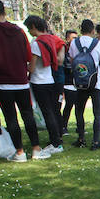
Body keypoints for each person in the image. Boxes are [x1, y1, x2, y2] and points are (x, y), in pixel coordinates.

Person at [0, 0, 48, 161]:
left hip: (1, 81)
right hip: (20, 79)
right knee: (27, 114)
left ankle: (20, 152)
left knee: (10, 116)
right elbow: (27, 55)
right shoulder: (19, 31)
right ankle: (36, 148)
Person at [24, 15, 65, 154]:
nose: (29, 31)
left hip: (39, 82)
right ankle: (56, 140)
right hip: (50, 80)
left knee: (47, 113)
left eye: (29, 28)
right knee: (51, 112)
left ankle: (55, 142)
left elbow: (32, 67)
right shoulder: (51, 40)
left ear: (34, 27)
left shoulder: (36, 43)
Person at [68, 19, 100, 150]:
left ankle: (81, 138)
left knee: (79, 111)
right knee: (97, 112)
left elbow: (72, 60)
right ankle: (95, 141)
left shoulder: (74, 43)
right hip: (95, 82)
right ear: (93, 31)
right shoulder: (97, 43)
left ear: (80, 30)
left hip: (81, 81)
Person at [60, 29, 78, 134]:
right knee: (68, 106)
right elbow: (67, 66)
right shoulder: (64, 51)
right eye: (73, 38)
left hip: (77, 83)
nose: (76, 40)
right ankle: (63, 126)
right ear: (67, 39)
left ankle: (79, 127)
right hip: (68, 83)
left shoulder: (79, 50)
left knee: (79, 107)